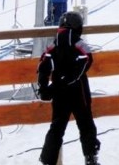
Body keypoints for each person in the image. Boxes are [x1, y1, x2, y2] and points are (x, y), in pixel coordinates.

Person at [37, 11, 100, 165]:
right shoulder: (78, 41)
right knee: (86, 124)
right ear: (78, 26)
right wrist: (72, 77)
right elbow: (87, 58)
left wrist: (44, 87)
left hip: (59, 90)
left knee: (57, 127)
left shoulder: (54, 44)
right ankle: (90, 157)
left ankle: (47, 160)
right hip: (79, 89)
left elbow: (43, 64)